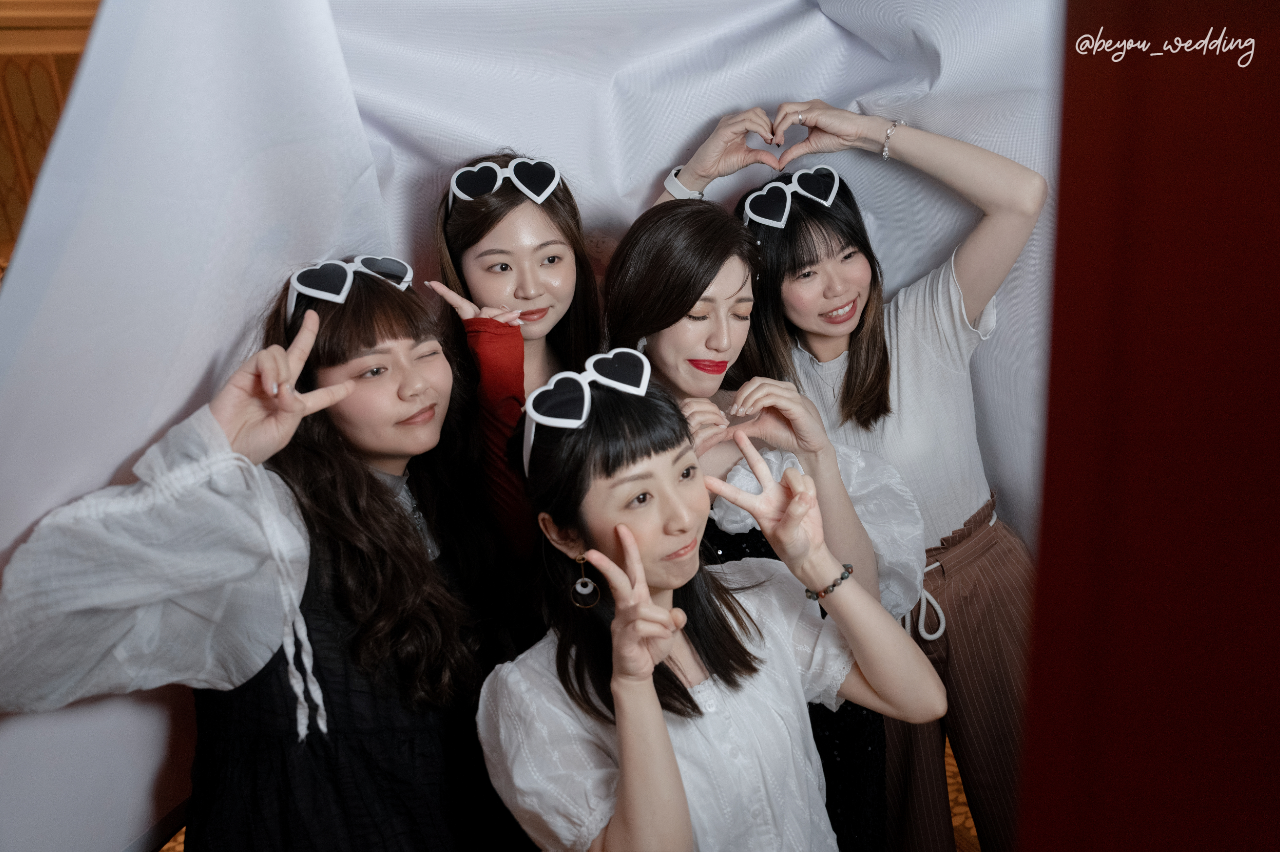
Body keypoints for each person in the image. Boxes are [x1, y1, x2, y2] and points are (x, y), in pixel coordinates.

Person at [0, 258, 529, 851]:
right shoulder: (269, 527)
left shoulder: (440, 496)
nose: (416, 385)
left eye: (426, 353)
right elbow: (19, 648)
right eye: (373, 368)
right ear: (310, 392)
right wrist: (213, 457)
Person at [672, 100, 1048, 851]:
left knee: (1039, 803)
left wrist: (865, 133)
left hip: (983, 576)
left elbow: (1022, 195)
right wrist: (692, 181)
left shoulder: (925, 320)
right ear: (767, 289)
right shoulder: (756, 391)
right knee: (905, 829)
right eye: (804, 272)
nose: (837, 286)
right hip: (860, 616)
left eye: (848, 255)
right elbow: (650, 311)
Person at [477, 348, 946, 851]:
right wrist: (633, 686)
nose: (683, 517)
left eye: (684, 474)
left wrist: (813, 562)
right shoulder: (530, 698)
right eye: (639, 498)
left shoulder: (752, 599)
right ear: (564, 534)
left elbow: (921, 698)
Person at [605, 198, 924, 849]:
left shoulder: (763, 414)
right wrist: (681, 471)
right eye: (698, 314)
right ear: (644, 310)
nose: (723, 340)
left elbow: (863, 600)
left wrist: (818, 456)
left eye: (742, 310)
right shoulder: (606, 444)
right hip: (711, 741)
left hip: (839, 720)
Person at [430, 151, 603, 566]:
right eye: (501, 267)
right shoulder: (434, 391)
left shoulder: (603, 364)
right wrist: (496, 362)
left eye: (550, 259)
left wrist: (691, 179)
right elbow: (525, 539)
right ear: (459, 271)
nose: (530, 289)